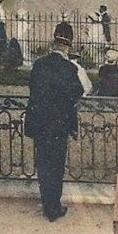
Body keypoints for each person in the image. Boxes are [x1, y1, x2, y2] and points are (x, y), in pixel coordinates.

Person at [24, 32, 86, 222]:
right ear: (66, 49)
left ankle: (47, 204)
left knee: (43, 164)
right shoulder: (68, 67)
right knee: (56, 164)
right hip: (59, 124)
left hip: (40, 122)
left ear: (52, 47)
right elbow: (78, 90)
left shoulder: (39, 65)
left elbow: (32, 86)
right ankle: (54, 207)